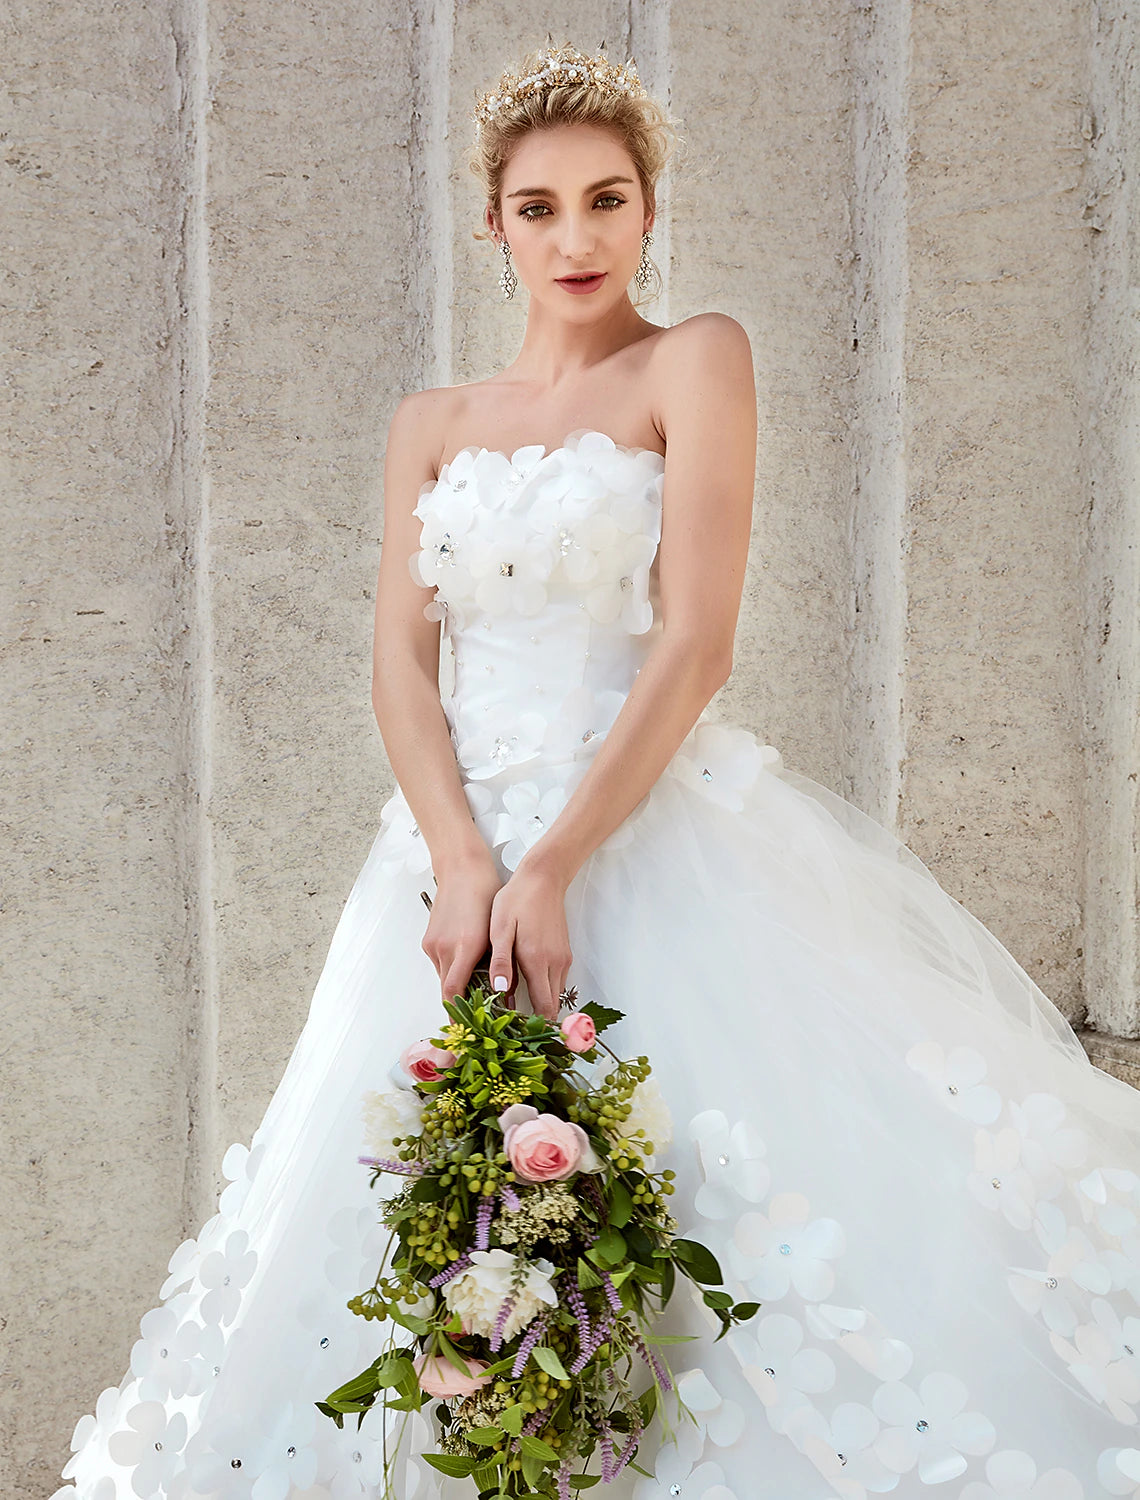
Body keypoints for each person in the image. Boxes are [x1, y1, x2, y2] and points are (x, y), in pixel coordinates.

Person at [57, 39, 1140, 1500]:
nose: (577, 237)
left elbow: (695, 642)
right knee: (413, 1215)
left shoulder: (693, 360)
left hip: (640, 834)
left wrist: (554, 860)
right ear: (493, 223)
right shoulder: (430, 426)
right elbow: (400, 665)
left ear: (649, 211)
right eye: (541, 206)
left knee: (715, 1209)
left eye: (608, 200)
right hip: (445, 874)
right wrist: (459, 859)